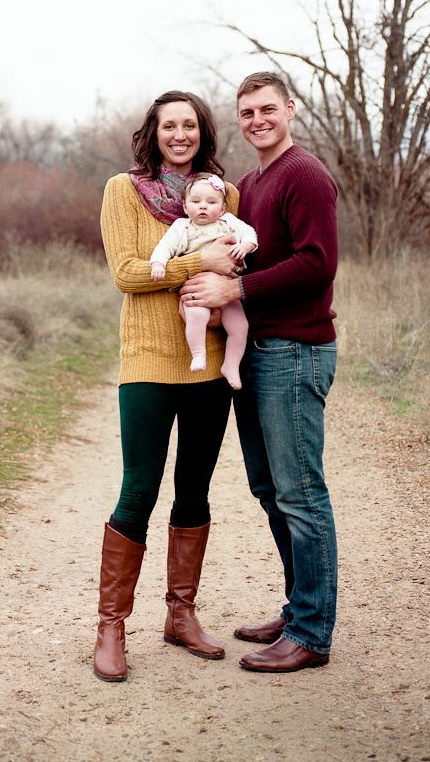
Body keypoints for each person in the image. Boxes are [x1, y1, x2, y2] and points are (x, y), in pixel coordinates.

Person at [180, 71, 339, 673]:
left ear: (291, 110)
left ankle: (312, 633)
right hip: (257, 352)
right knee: (271, 491)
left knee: (301, 494)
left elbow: (317, 265)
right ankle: (301, 606)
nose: (257, 121)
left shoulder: (306, 175)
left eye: (267, 109)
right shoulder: (246, 183)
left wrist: (236, 284)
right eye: (246, 113)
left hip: (295, 349)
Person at [95, 90, 241, 682]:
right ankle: (111, 625)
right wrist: (199, 265)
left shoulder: (225, 195)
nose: (179, 135)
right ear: (153, 134)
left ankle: (181, 614)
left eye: (189, 125)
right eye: (168, 126)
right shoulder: (121, 190)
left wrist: (230, 275)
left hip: (207, 366)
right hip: (149, 364)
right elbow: (128, 273)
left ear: (202, 133)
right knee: (139, 489)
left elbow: (241, 263)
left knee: (195, 487)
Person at [149, 172, 258, 389]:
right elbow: (165, 247)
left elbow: (251, 234)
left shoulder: (229, 222)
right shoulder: (183, 226)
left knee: (240, 326)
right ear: (185, 205)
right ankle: (198, 354)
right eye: (196, 201)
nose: (203, 207)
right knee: (196, 315)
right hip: (197, 286)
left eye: (211, 202)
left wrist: (244, 246)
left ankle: (231, 365)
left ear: (223, 208)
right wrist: (158, 264)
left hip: (227, 286)